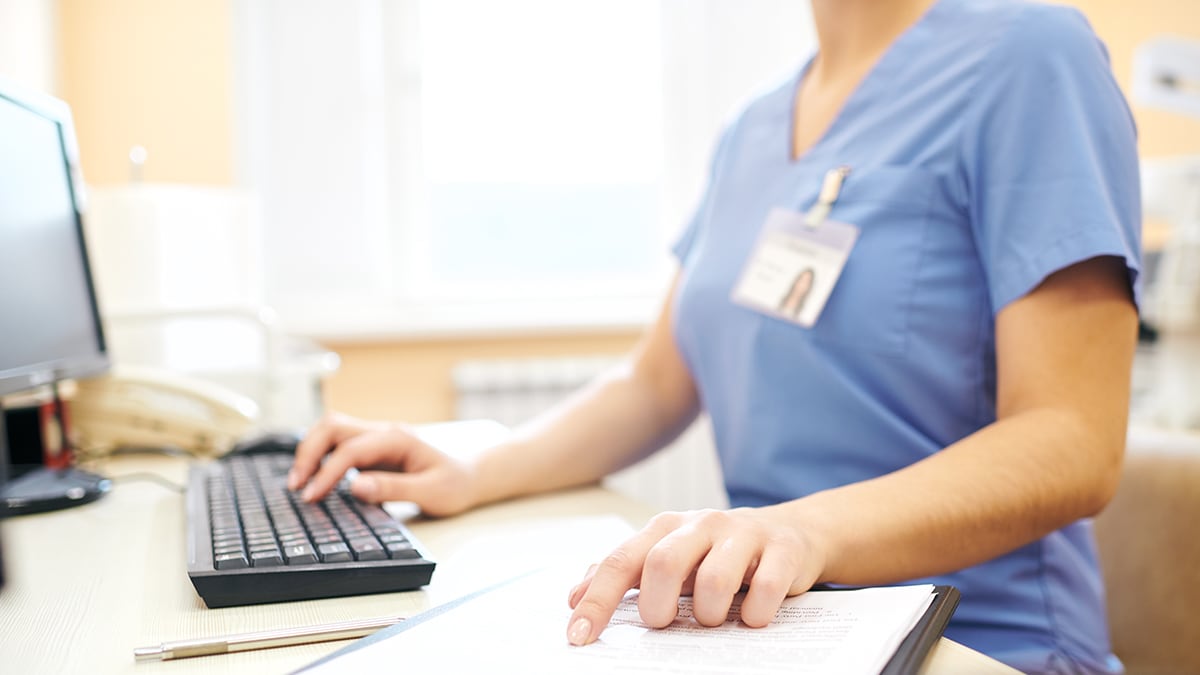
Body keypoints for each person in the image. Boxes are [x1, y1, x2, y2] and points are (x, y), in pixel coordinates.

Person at [287, 0, 1141, 672]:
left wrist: (803, 532)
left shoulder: (1031, 57)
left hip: (977, 639)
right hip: (760, 625)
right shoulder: (754, 126)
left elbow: (1073, 441)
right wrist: (473, 468)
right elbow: (658, 381)